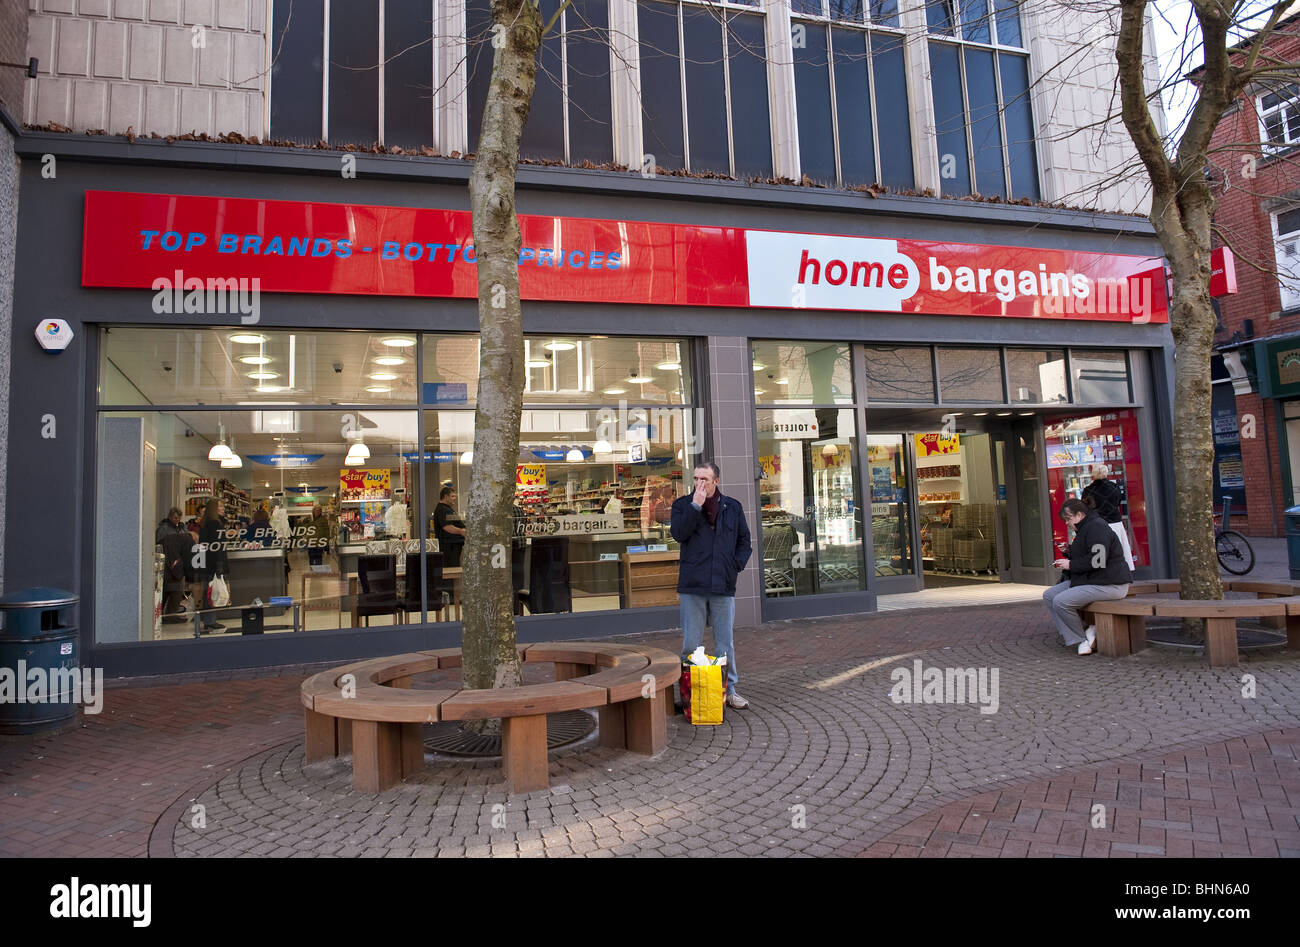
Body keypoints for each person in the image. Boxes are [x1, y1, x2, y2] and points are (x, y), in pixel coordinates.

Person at [670, 462, 753, 709]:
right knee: (691, 643)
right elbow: (678, 534)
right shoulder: (683, 505)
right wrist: (695, 505)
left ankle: (730, 690)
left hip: (722, 583)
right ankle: (689, 692)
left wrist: (734, 565)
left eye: (704, 479)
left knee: (724, 642)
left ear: (716, 481)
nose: (699, 484)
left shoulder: (732, 507)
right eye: (696, 478)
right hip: (693, 584)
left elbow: (744, 541)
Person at [1043, 498, 1132, 655]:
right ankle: (1079, 633)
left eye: (1068, 518)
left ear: (1079, 515)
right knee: (1049, 595)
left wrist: (1070, 565)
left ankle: (1081, 639)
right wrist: (1069, 551)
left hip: (1110, 584)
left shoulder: (1096, 527)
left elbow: (1097, 560)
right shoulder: (1086, 527)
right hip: (1095, 580)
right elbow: (1091, 554)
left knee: (1060, 601)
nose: (1066, 523)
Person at [1082, 465, 1135, 570]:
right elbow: (1118, 502)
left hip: (1097, 524)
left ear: (1094, 474)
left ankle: (1103, 572)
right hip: (1115, 522)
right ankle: (1122, 570)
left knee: (1100, 551)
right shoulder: (1114, 487)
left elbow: (1085, 507)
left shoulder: (1088, 490)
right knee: (1119, 549)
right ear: (1106, 473)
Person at [157, 508, 194, 623]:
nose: (176, 520)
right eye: (174, 517)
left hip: (179, 563)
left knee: (177, 592)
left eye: (178, 517)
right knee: (166, 591)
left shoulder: (182, 528)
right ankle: (162, 615)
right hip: (168, 563)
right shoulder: (163, 528)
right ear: (170, 517)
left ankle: (170, 615)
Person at [196, 497, 228, 632]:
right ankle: (210, 621)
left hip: (206, 561)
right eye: (220, 506)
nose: (223, 508)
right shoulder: (215, 523)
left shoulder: (205, 523)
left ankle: (208, 620)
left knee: (208, 591)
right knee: (212, 592)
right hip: (213, 563)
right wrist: (219, 565)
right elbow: (217, 546)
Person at [434, 486, 466, 567]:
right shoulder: (443, 509)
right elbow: (447, 527)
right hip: (449, 548)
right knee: (451, 569)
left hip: (453, 547)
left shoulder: (447, 509)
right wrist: (461, 531)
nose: (454, 498)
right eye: (452, 496)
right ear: (446, 497)